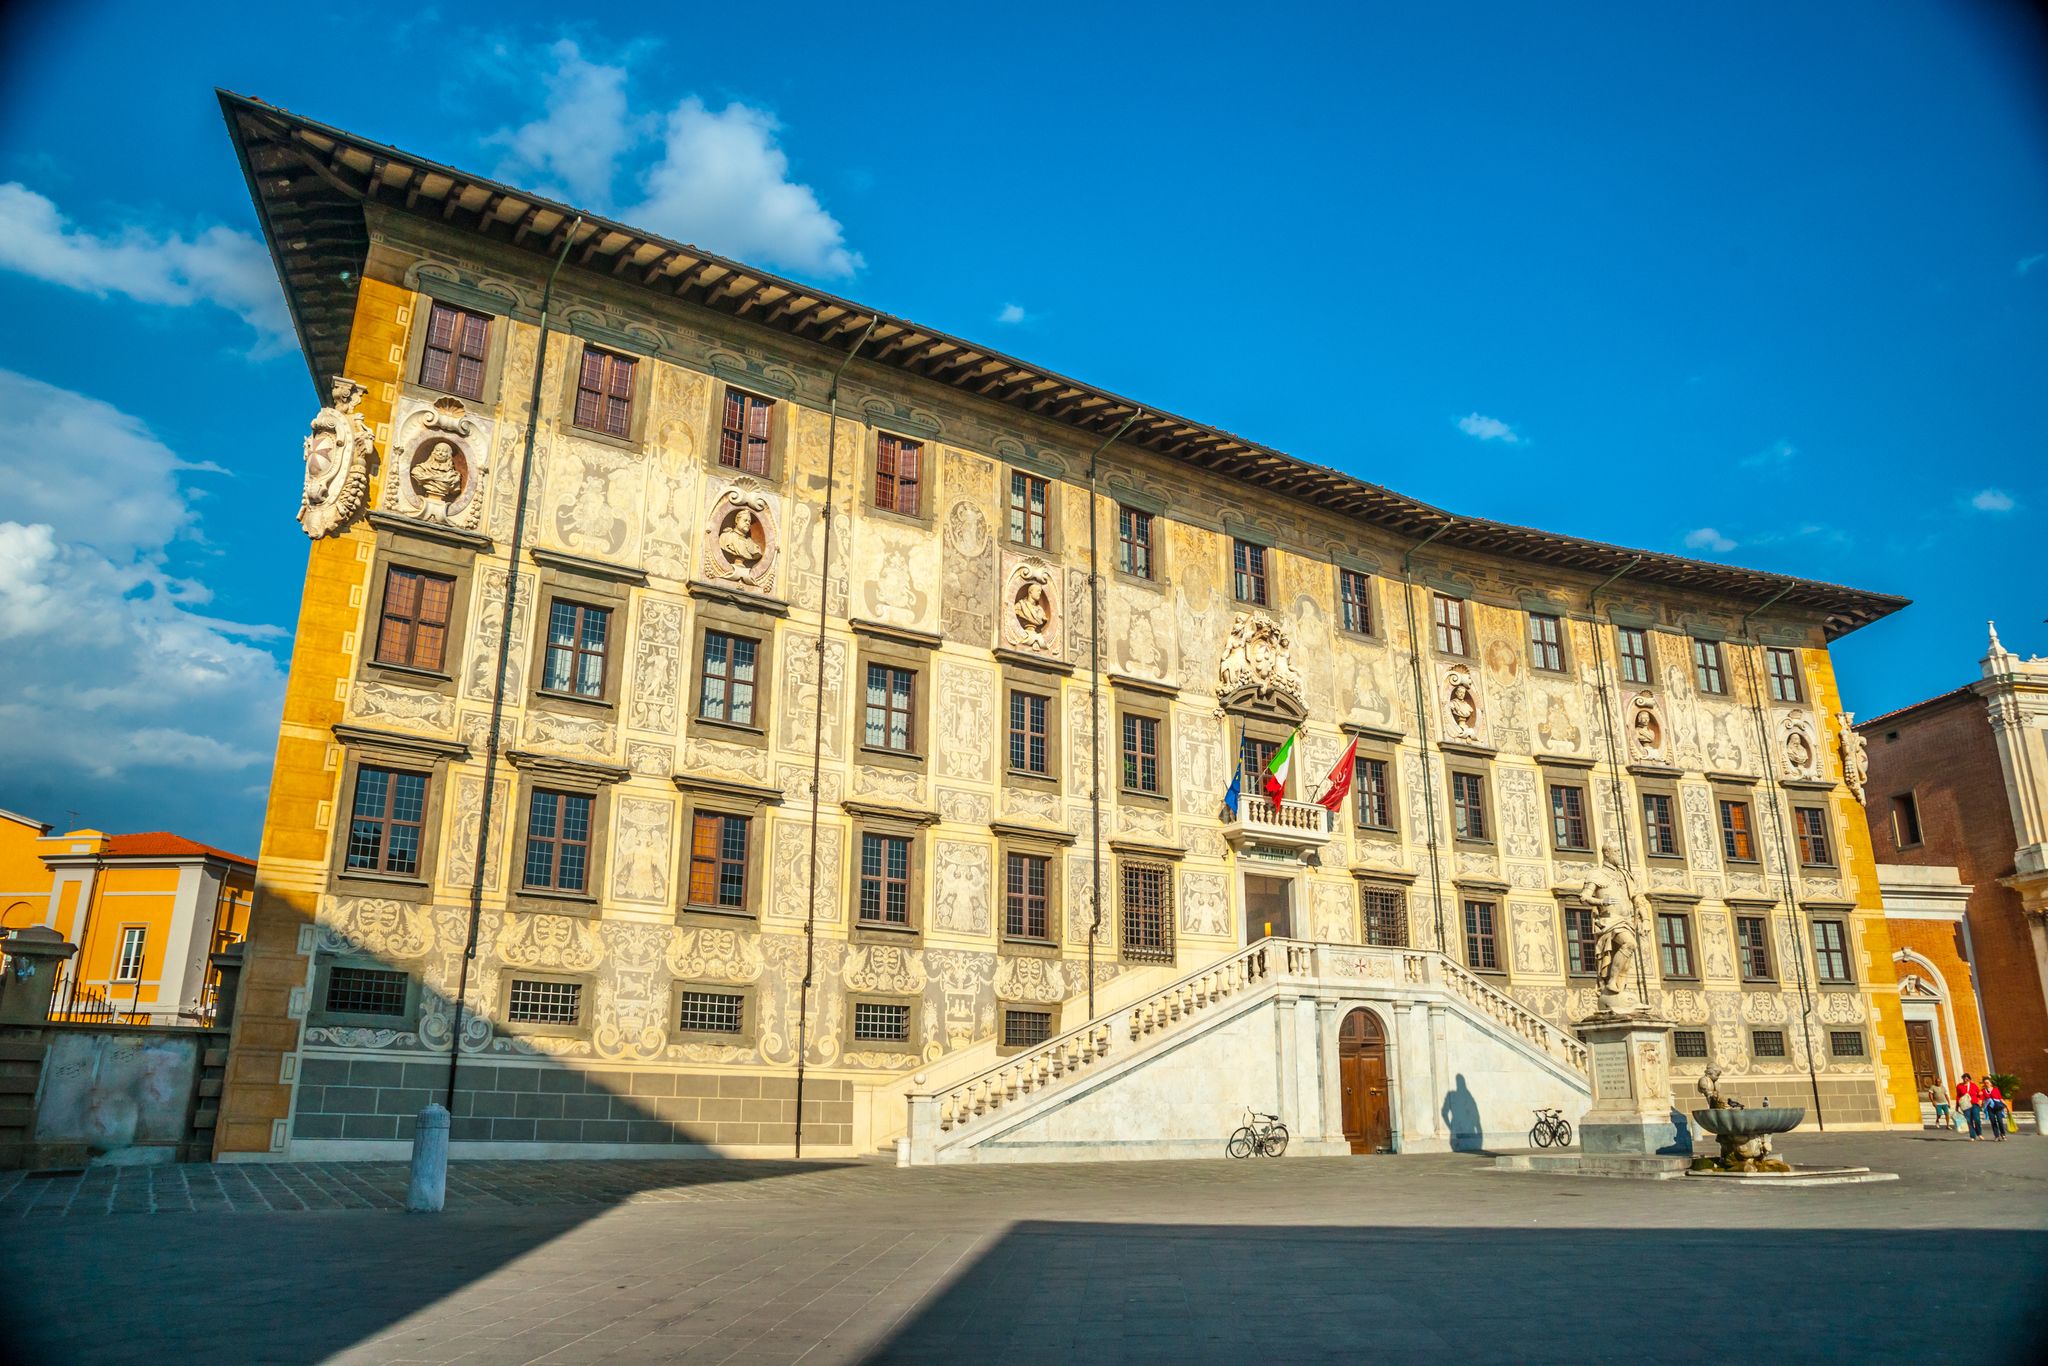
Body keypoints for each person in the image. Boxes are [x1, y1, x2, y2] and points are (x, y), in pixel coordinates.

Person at [1956, 1073, 1982, 1140]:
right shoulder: (1959, 1086)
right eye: (1964, 1078)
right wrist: (1957, 1106)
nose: (1965, 1079)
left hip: (1974, 1104)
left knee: (1977, 1119)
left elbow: (1980, 1093)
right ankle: (1972, 1136)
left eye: (1967, 1078)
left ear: (1969, 1079)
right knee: (1969, 1120)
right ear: (1962, 1079)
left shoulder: (1973, 1085)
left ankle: (1979, 1133)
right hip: (1965, 1105)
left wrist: (1980, 1100)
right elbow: (1958, 1096)